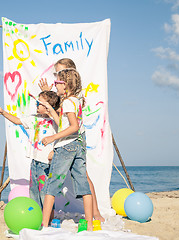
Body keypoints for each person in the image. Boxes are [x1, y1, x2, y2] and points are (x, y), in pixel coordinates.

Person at [39, 58, 105, 222]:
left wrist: (54, 141)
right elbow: (60, 118)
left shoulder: (71, 98)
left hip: (72, 139)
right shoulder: (70, 97)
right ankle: (92, 217)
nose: (56, 78)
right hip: (68, 138)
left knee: (81, 177)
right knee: (82, 177)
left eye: (58, 74)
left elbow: (68, 122)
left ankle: (95, 213)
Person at [0, 91, 60, 210]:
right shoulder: (35, 118)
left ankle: (48, 219)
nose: (36, 104)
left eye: (39, 103)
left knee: (45, 192)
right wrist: (3, 112)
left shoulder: (55, 121)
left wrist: (55, 152)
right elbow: (17, 121)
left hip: (47, 163)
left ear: (47, 106)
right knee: (34, 191)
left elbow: (62, 134)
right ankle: (38, 216)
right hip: (35, 161)